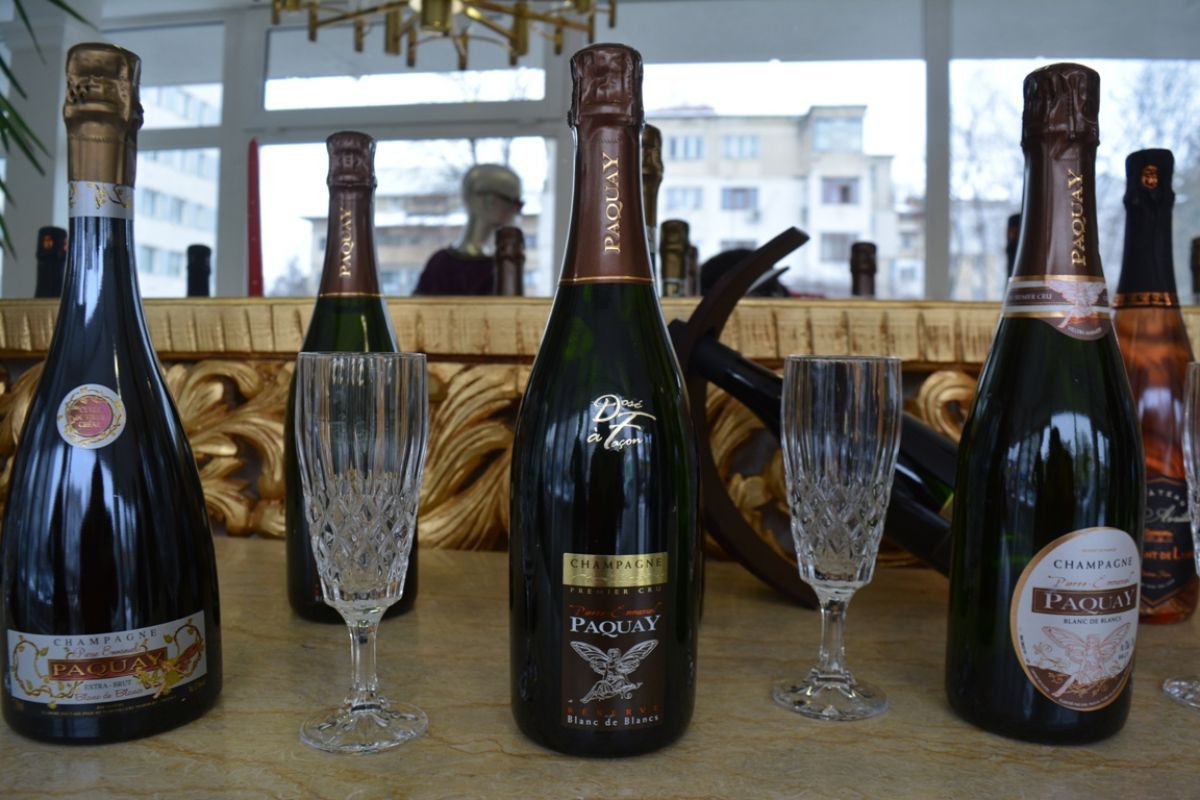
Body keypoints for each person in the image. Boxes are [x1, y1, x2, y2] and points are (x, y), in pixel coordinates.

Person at [413, 164, 523, 295]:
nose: (516, 211)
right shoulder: (439, 264)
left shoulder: (504, 266)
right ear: (490, 201)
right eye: (515, 203)